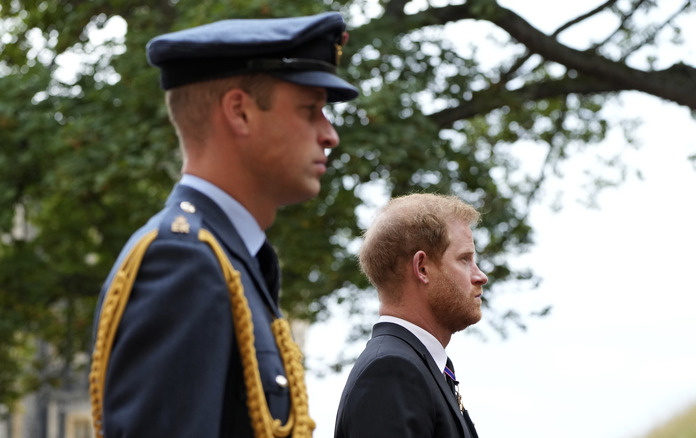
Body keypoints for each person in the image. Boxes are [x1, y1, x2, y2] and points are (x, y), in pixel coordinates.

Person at [88, 12, 358, 438]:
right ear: (240, 112)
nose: (329, 134)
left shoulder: (232, 258)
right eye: (310, 110)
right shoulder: (182, 261)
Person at [335, 193, 488, 438]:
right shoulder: (392, 371)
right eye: (465, 259)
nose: (480, 276)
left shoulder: (420, 366)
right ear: (422, 268)